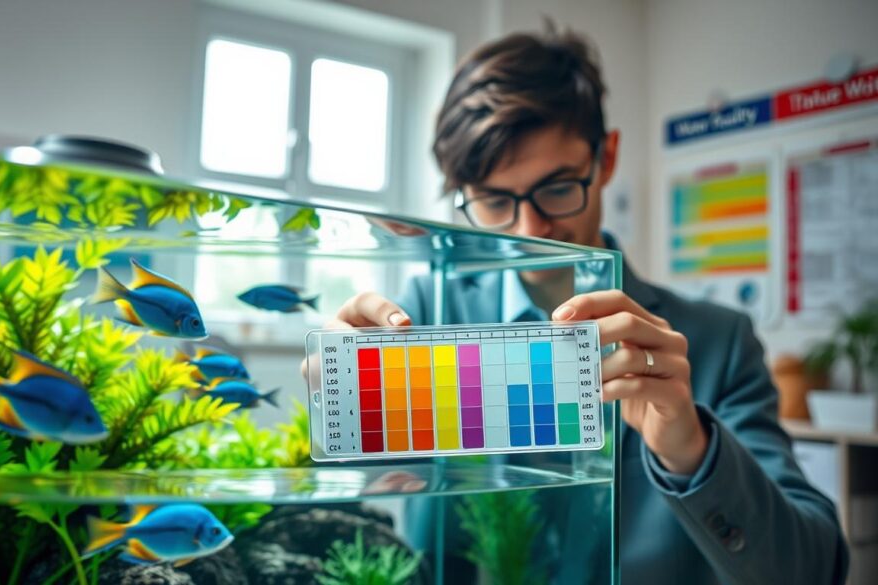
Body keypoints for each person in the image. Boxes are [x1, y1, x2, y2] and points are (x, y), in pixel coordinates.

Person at [325, 27, 849, 585]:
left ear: (608, 159)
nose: (529, 230)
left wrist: (692, 451)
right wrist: (336, 396)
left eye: (556, 188)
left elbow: (814, 570)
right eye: (495, 201)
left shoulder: (717, 343)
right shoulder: (430, 307)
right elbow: (359, 488)